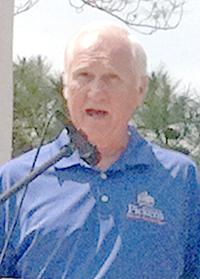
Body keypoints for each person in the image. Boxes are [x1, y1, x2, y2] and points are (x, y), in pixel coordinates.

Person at [0, 21, 200, 278]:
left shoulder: (180, 179)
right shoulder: (16, 180)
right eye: (83, 75)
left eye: (111, 78)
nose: (96, 92)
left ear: (140, 90)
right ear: (65, 86)